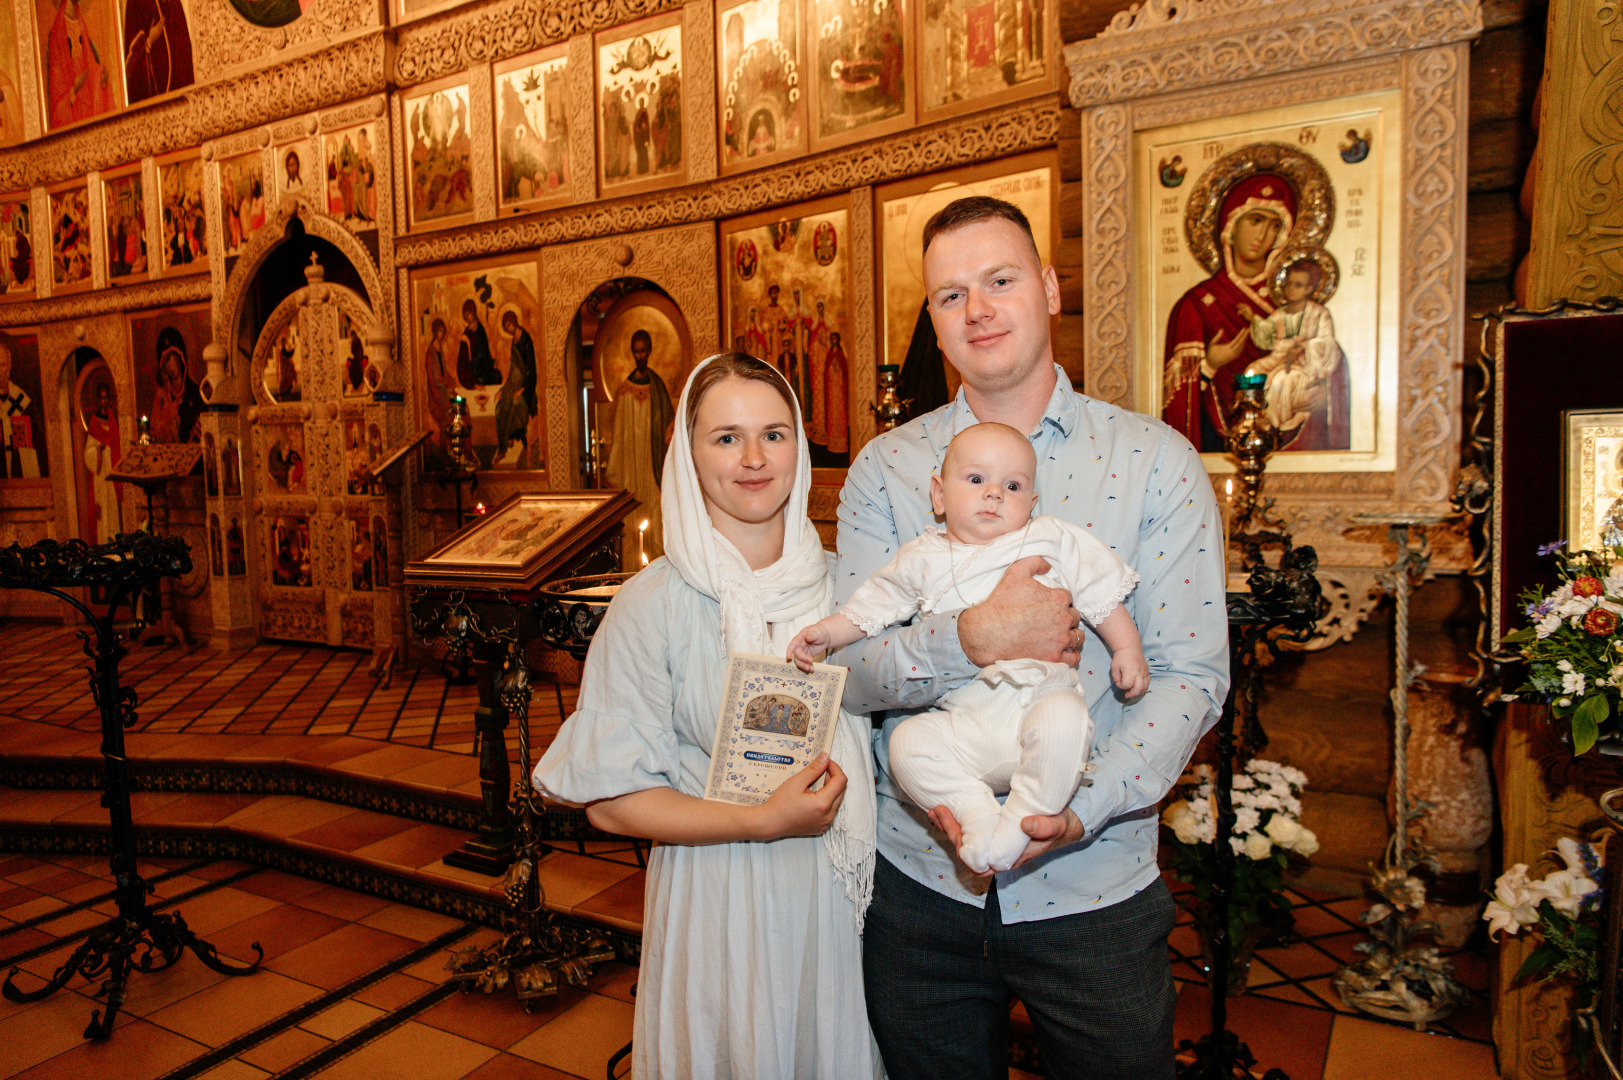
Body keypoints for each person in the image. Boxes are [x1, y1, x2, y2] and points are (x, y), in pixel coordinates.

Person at [837, 195, 1228, 1079]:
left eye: (1000, 280)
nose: (976, 309)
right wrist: (969, 637)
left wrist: (1077, 811)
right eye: (948, 295)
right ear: (933, 323)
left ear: (1050, 289)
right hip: (921, 883)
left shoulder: (1153, 461)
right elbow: (851, 673)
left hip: (1094, 887)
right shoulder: (890, 471)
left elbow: (1190, 672)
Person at [534, 353, 881, 1079]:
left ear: (801, 448)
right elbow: (611, 804)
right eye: (725, 437)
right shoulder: (650, 605)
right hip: (715, 893)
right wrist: (758, 821)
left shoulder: (855, 590)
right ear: (686, 455)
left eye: (774, 434)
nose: (753, 458)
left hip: (836, 895)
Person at [792, 421, 1147, 873]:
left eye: (1013, 485)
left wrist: (1127, 650)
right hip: (963, 722)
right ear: (939, 495)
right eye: (976, 479)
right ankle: (974, 809)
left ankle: (1024, 818)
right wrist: (827, 632)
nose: (994, 493)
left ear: (1032, 502)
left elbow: (1103, 594)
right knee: (908, 743)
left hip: (1037, 702)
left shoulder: (1050, 537)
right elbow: (872, 606)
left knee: (1067, 722)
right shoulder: (922, 557)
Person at [1237, 257, 1348, 444]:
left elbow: (1327, 343)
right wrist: (1253, 319)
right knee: (1253, 372)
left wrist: (1304, 346)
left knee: (1282, 381)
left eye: (1298, 285)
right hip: (1278, 358)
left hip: (1305, 364)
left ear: (1310, 288)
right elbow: (1267, 336)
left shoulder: (1319, 314)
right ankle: (1253, 423)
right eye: (1288, 284)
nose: (1290, 289)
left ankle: (1276, 429)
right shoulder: (1280, 313)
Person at [603, 329, 673, 563]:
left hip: (653, 465)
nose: (640, 355)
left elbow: (669, 430)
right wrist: (614, 470)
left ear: (650, 352)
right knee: (634, 519)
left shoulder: (658, 387)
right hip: (632, 467)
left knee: (655, 516)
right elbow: (621, 436)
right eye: (636, 351)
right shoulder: (625, 389)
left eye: (643, 351)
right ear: (632, 353)